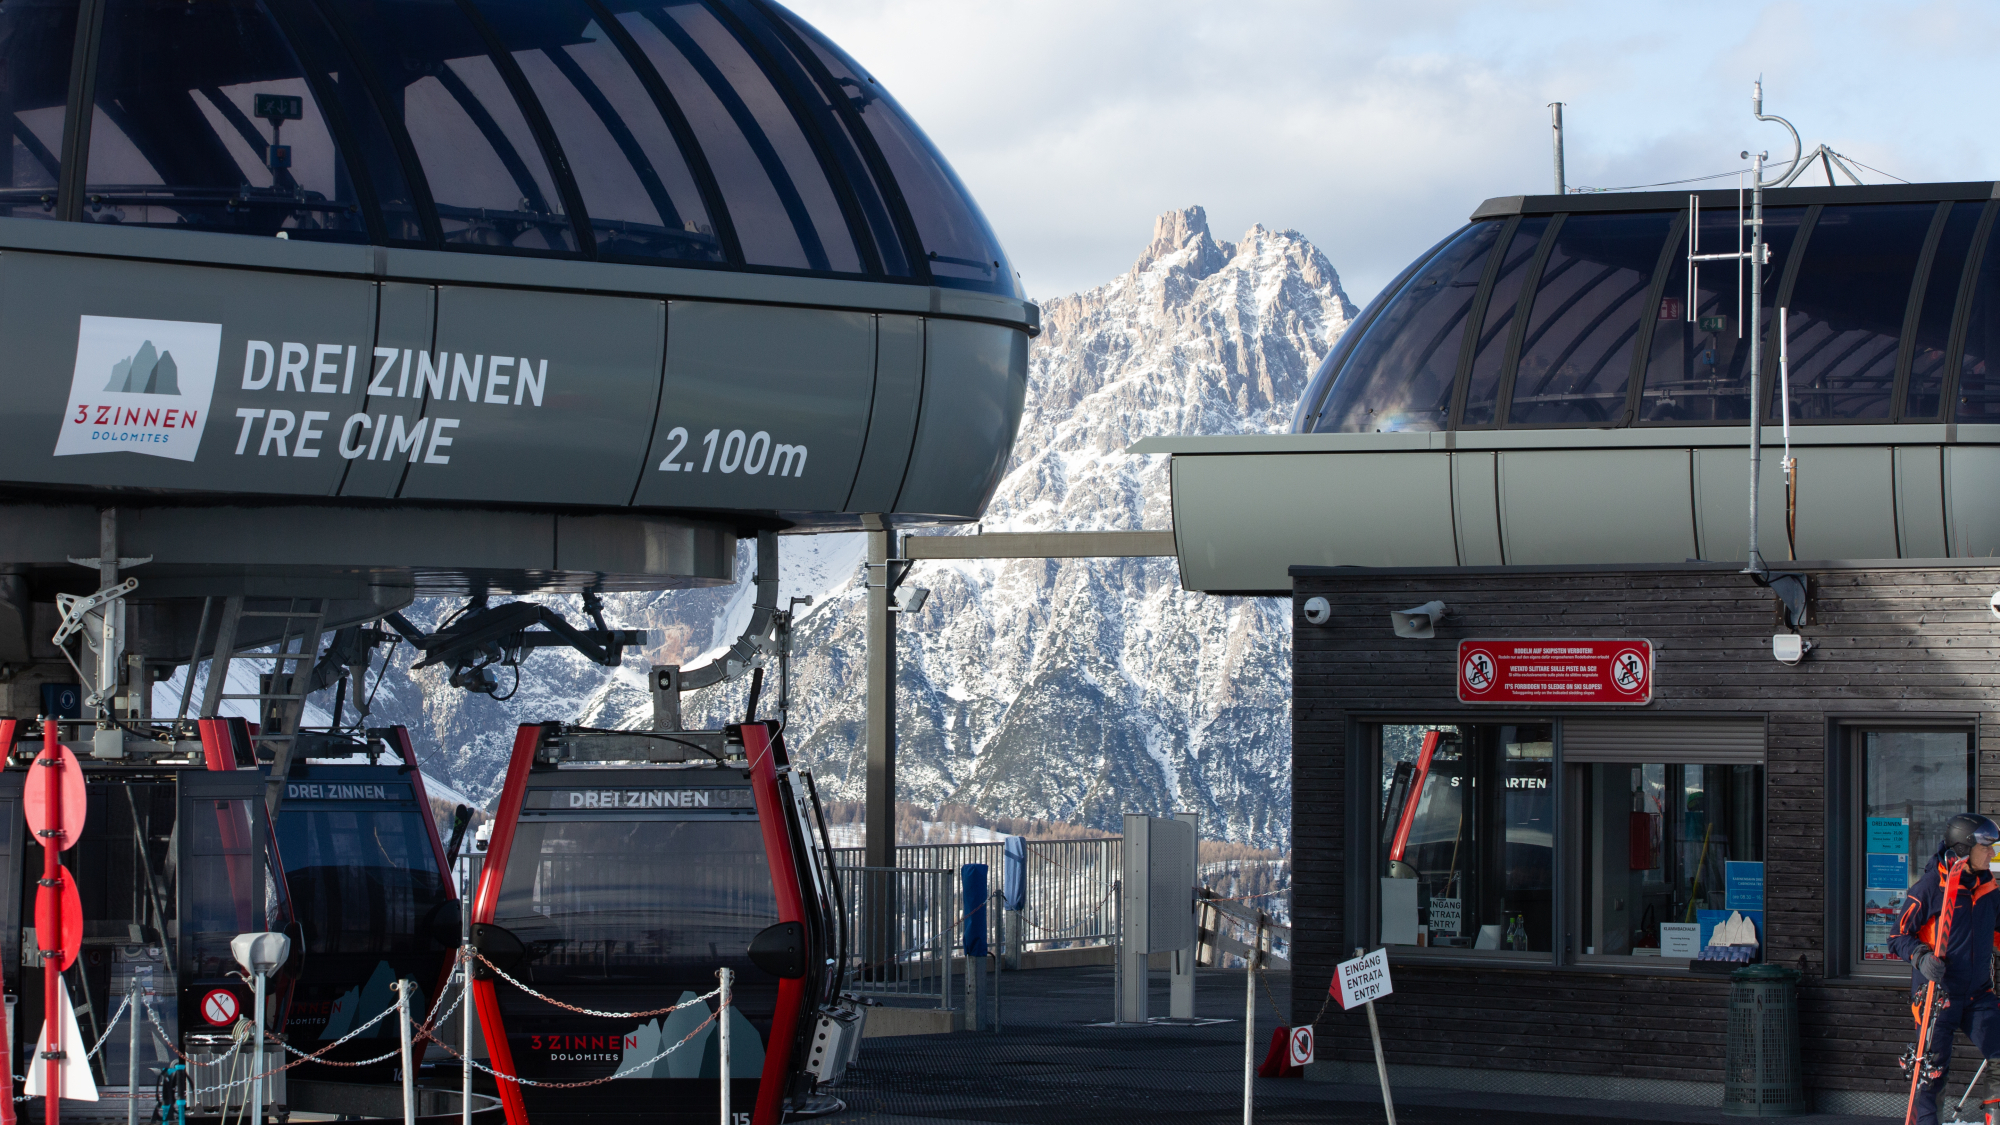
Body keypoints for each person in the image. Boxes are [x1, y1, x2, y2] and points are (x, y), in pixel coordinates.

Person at [1890, 813, 2000, 1125]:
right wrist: (1921, 956)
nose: (1992, 854)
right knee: (1932, 1075)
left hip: (1978, 995)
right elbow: (1897, 936)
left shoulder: (1988, 888)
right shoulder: (1929, 888)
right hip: (1937, 998)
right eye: (1986, 848)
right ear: (1964, 851)